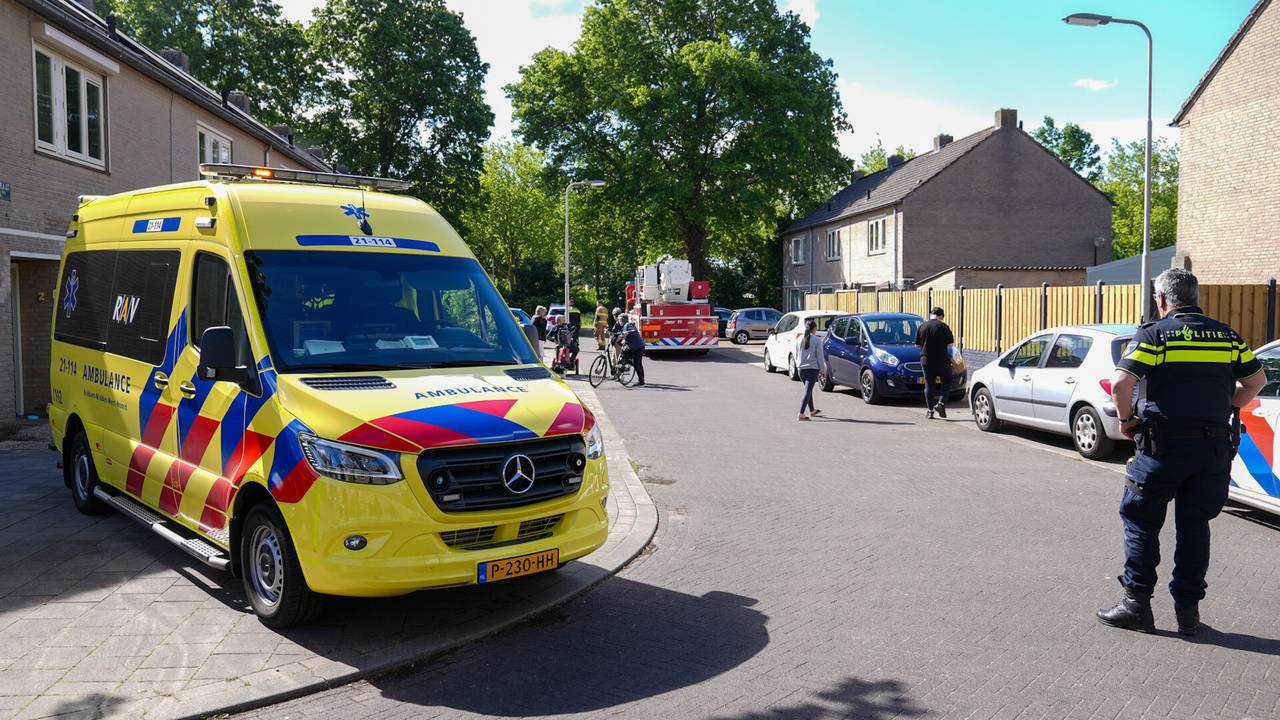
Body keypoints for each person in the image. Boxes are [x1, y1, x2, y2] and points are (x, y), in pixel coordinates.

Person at [1097, 268, 1266, 636]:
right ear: (1196, 297)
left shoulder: (1155, 335)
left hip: (1163, 448)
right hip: (1212, 450)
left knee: (1141, 521)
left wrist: (1126, 421)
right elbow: (1256, 380)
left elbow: (1122, 382)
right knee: (1195, 527)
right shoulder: (1226, 336)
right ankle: (1188, 613)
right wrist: (1227, 407)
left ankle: (1136, 605)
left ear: (1161, 299)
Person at [914, 307, 955, 419]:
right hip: (942, 360)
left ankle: (930, 411)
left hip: (926, 360)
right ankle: (941, 403)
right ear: (941, 316)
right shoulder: (944, 327)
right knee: (947, 380)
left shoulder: (922, 326)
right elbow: (950, 344)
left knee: (929, 385)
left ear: (931, 315)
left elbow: (917, 345)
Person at [796, 319, 821, 421]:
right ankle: (801, 413)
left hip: (801, 369)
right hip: (812, 369)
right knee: (807, 390)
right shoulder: (817, 340)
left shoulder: (799, 339)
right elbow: (820, 357)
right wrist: (822, 369)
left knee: (808, 390)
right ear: (814, 328)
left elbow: (797, 353)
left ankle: (812, 410)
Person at [620, 313, 646, 386]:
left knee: (636, 364)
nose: (619, 322)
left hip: (638, 347)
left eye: (620, 320)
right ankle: (642, 380)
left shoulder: (629, 325)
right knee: (639, 364)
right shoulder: (624, 327)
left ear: (622, 320)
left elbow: (634, 331)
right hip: (638, 346)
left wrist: (627, 332)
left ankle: (641, 381)